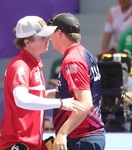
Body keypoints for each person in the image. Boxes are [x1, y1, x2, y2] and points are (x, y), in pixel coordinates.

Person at [0, 16, 85, 150]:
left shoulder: (33, 64)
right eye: (43, 37)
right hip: (18, 143)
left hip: (32, 143)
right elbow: (21, 99)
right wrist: (61, 103)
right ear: (27, 42)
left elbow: (34, 95)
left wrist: (65, 93)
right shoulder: (20, 65)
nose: (48, 39)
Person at [48, 13, 105, 150]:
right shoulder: (82, 53)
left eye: (51, 33)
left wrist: (62, 133)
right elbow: (68, 94)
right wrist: (35, 96)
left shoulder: (73, 60)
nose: (49, 38)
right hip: (85, 137)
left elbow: (85, 102)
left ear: (59, 33)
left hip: (81, 138)